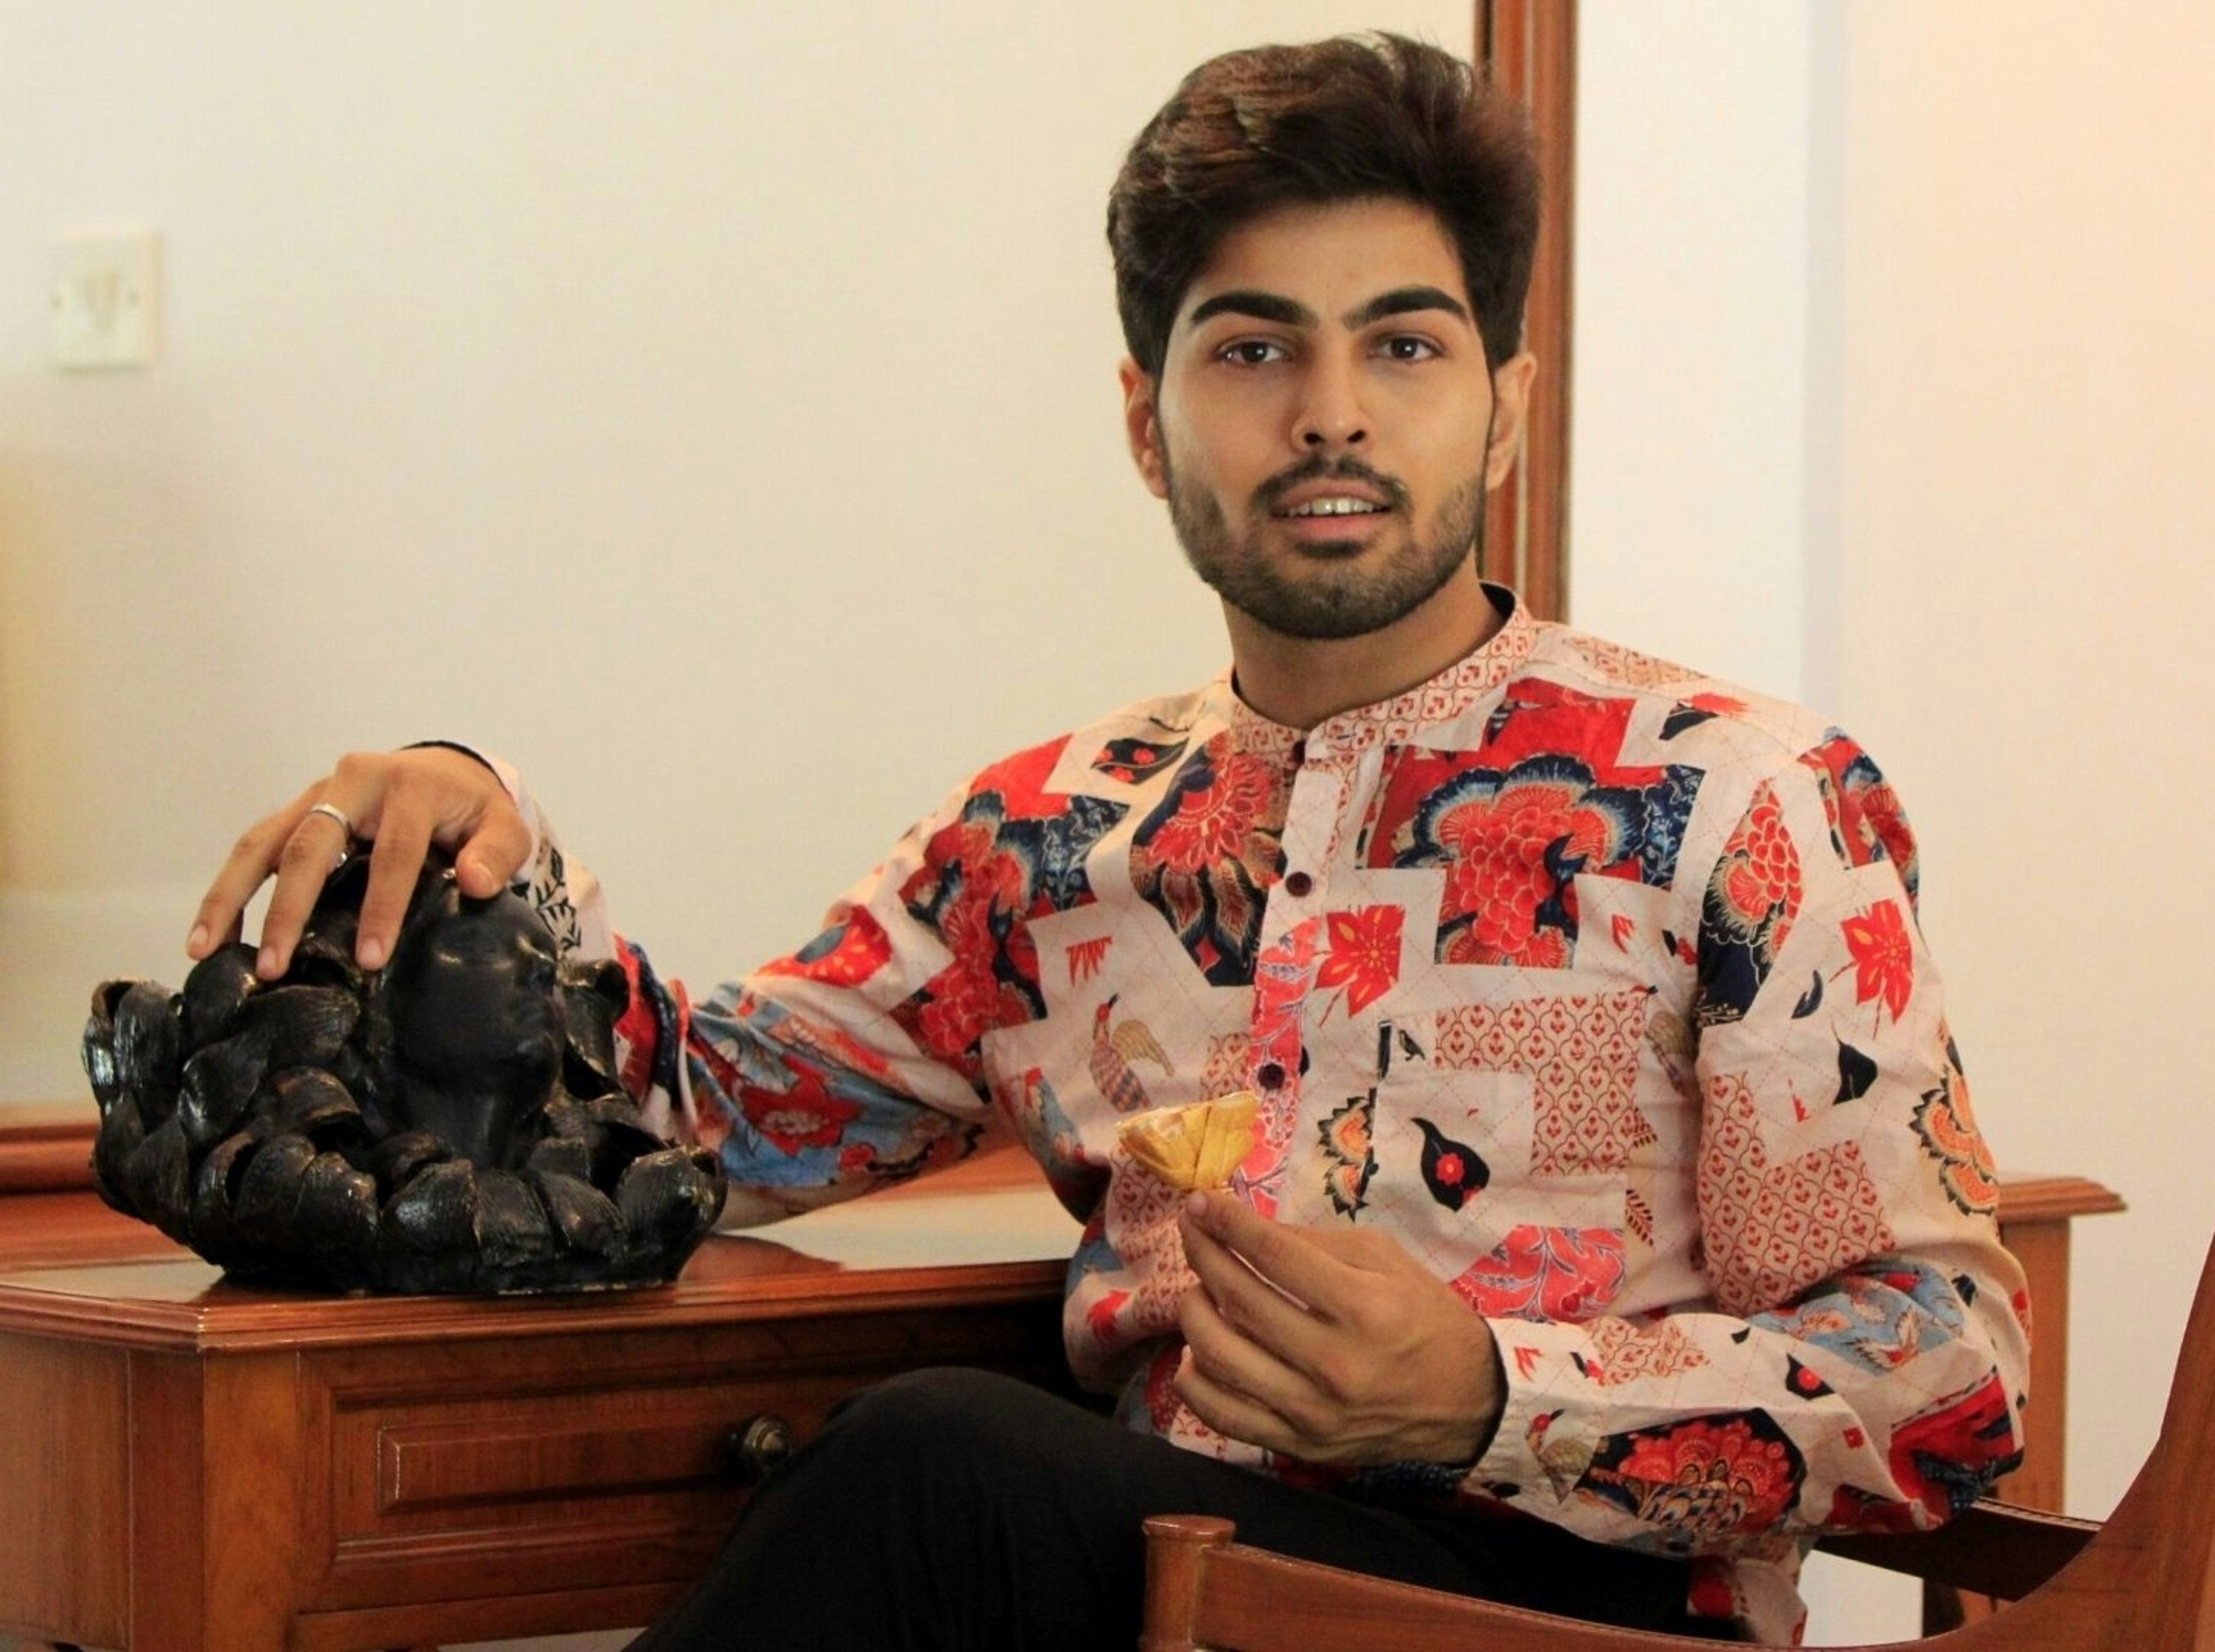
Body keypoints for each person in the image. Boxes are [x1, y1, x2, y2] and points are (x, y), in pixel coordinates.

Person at [187, 34, 2028, 1648]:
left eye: (1403, 344)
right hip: (1175, 1594)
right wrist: (486, 828)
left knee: (939, 1467)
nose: (1331, 411)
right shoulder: (1051, 840)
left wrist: (1492, 1391)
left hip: (1574, 1614)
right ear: (1148, 425)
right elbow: (700, 1116)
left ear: (1505, 413)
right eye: (1254, 349)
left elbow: (1947, 1375)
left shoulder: (1744, 800)